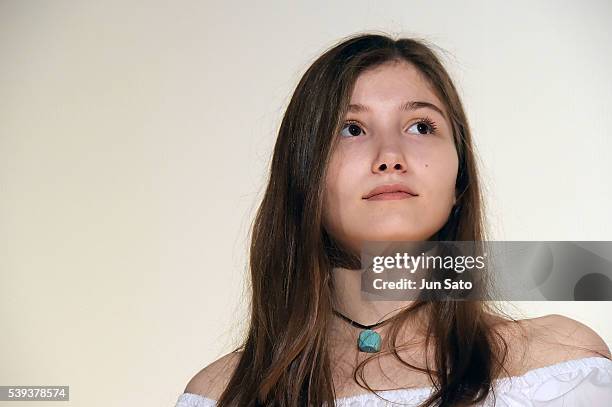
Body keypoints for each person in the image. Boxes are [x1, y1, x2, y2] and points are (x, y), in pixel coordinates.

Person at [174, 32, 612, 406]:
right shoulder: (219, 395)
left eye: (421, 126)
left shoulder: (563, 367)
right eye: (351, 129)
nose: (389, 157)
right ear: (302, 176)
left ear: (460, 178)